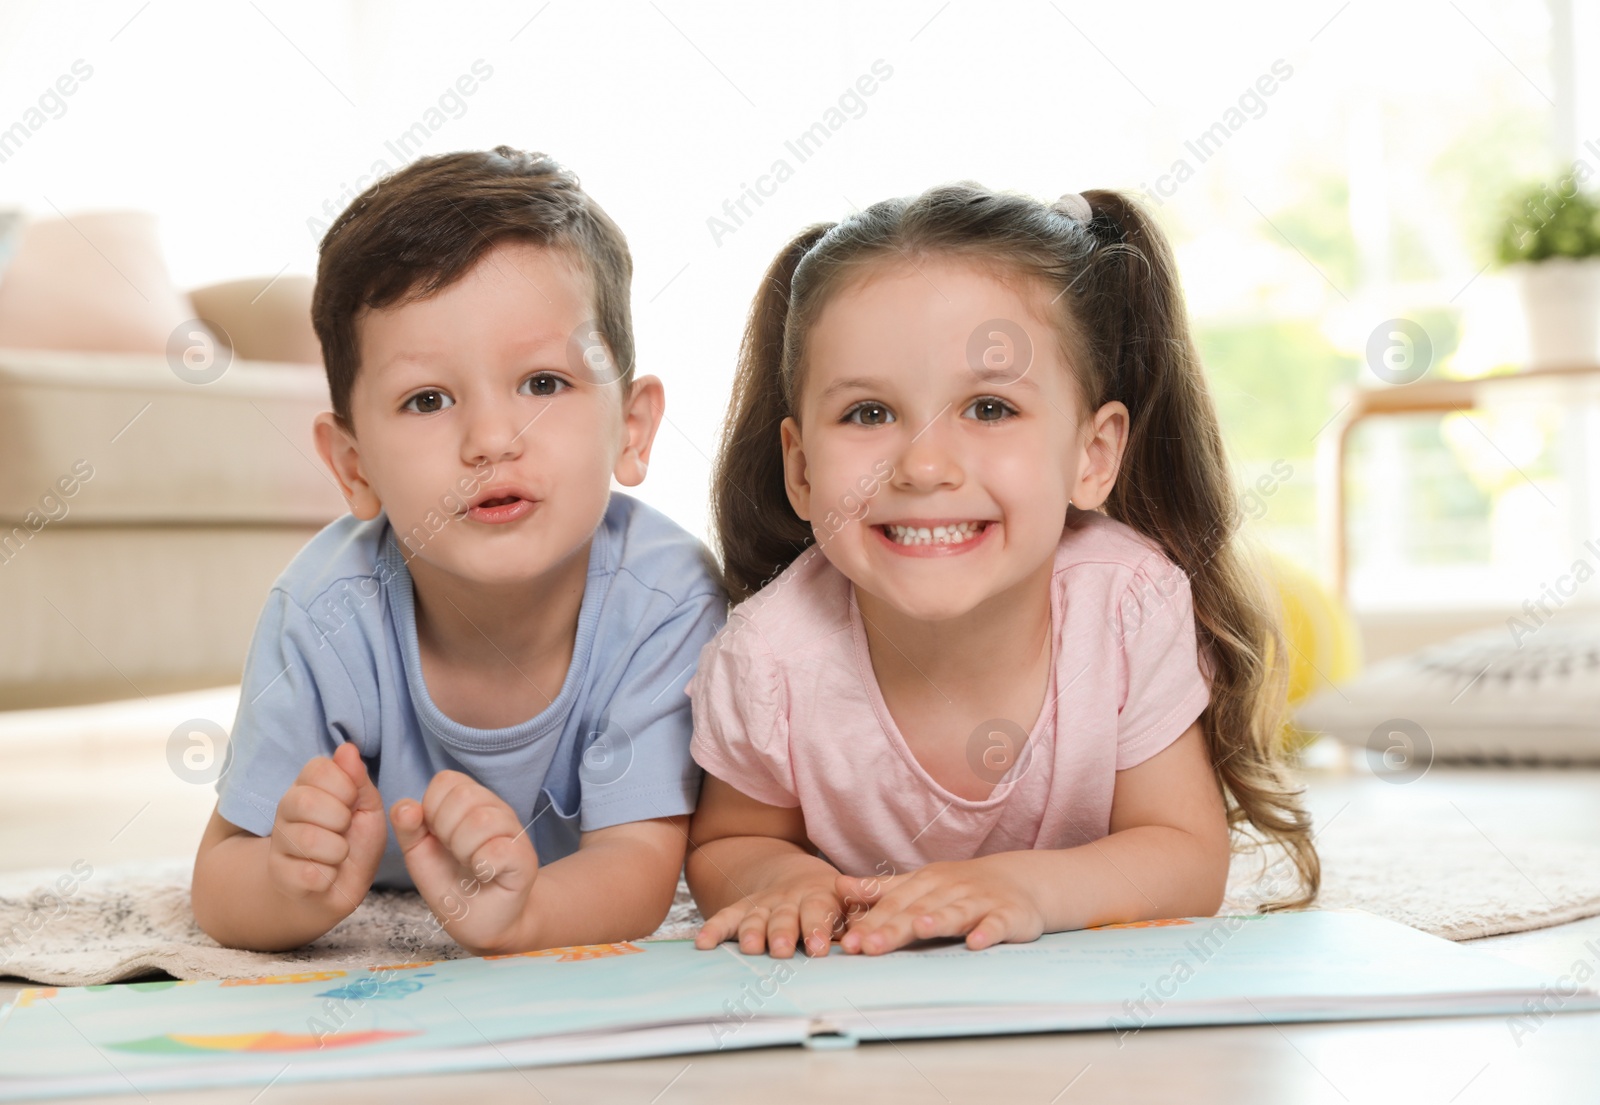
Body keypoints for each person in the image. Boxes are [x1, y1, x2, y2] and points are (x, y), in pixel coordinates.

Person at [685, 184, 1318, 958]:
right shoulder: (769, 657)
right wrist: (779, 880)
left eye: (988, 408)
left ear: (1093, 456)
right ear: (801, 467)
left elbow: (1184, 852)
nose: (923, 464)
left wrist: (1028, 888)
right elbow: (728, 841)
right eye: (868, 413)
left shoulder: (1125, 603)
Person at [191, 147, 724, 954]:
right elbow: (220, 879)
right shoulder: (324, 612)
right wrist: (285, 881)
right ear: (354, 465)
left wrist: (528, 916)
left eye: (544, 383)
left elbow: (638, 868)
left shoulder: (667, 598)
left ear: (633, 429)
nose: (490, 439)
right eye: (427, 399)